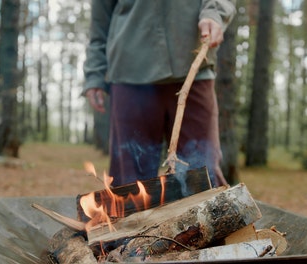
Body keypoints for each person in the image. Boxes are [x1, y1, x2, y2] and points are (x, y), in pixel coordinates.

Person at [83, 0, 236, 188]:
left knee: (203, 177)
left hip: (193, 66)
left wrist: (214, 13)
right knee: (130, 185)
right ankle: (133, 219)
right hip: (129, 72)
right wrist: (95, 74)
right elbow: (100, 20)